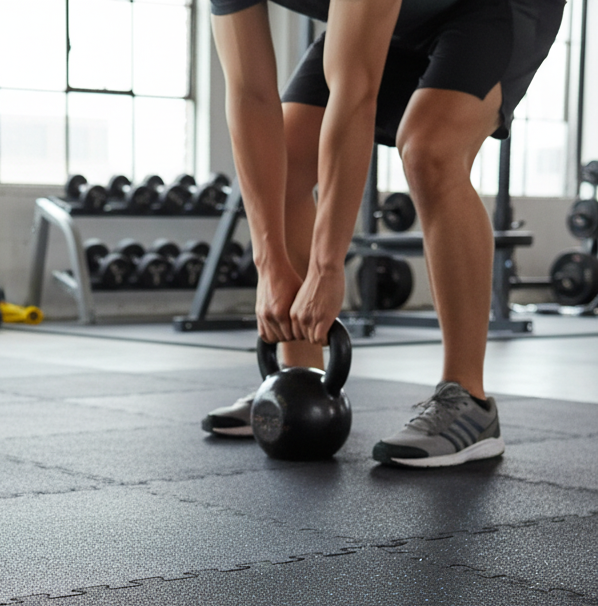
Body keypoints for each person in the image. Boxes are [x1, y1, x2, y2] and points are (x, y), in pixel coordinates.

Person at [201, 0, 565, 467]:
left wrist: (327, 267)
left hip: (488, 8)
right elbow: (249, 94)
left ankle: (468, 400)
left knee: (429, 149)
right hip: (392, 21)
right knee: (287, 160)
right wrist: (269, 263)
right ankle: (296, 379)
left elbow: (354, 90)